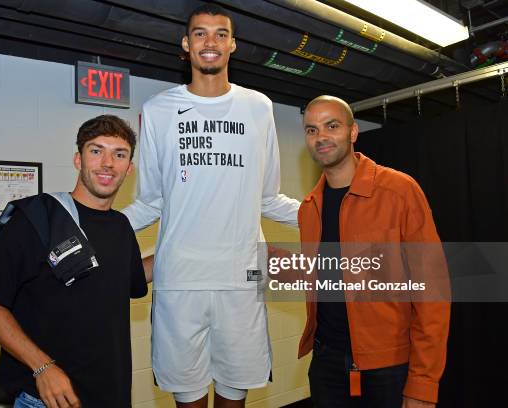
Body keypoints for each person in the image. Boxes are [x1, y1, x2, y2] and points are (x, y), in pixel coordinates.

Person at [121, 4, 301, 408]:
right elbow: (150, 201)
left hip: (242, 279)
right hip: (179, 281)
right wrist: (88, 225)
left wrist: (336, 213)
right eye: (200, 33)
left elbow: (267, 197)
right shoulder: (158, 111)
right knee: (188, 398)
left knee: (234, 396)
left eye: (221, 34)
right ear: (186, 45)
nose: (211, 42)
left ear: (232, 45)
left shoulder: (258, 107)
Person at [0, 115, 150, 408]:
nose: (107, 163)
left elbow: (127, 277)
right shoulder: (37, 218)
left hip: (110, 395)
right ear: (78, 160)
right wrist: (42, 367)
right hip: (45, 399)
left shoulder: (120, 226)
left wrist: (180, 250)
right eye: (96, 150)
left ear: (129, 168)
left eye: (119, 154)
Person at [297, 95, 450, 407]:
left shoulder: (399, 191)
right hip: (326, 366)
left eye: (332, 126)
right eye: (311, 130)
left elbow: (432, 292)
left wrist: (422, 384)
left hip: (389, 369)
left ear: (353, 132)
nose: (321, 137)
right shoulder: (309, 209)